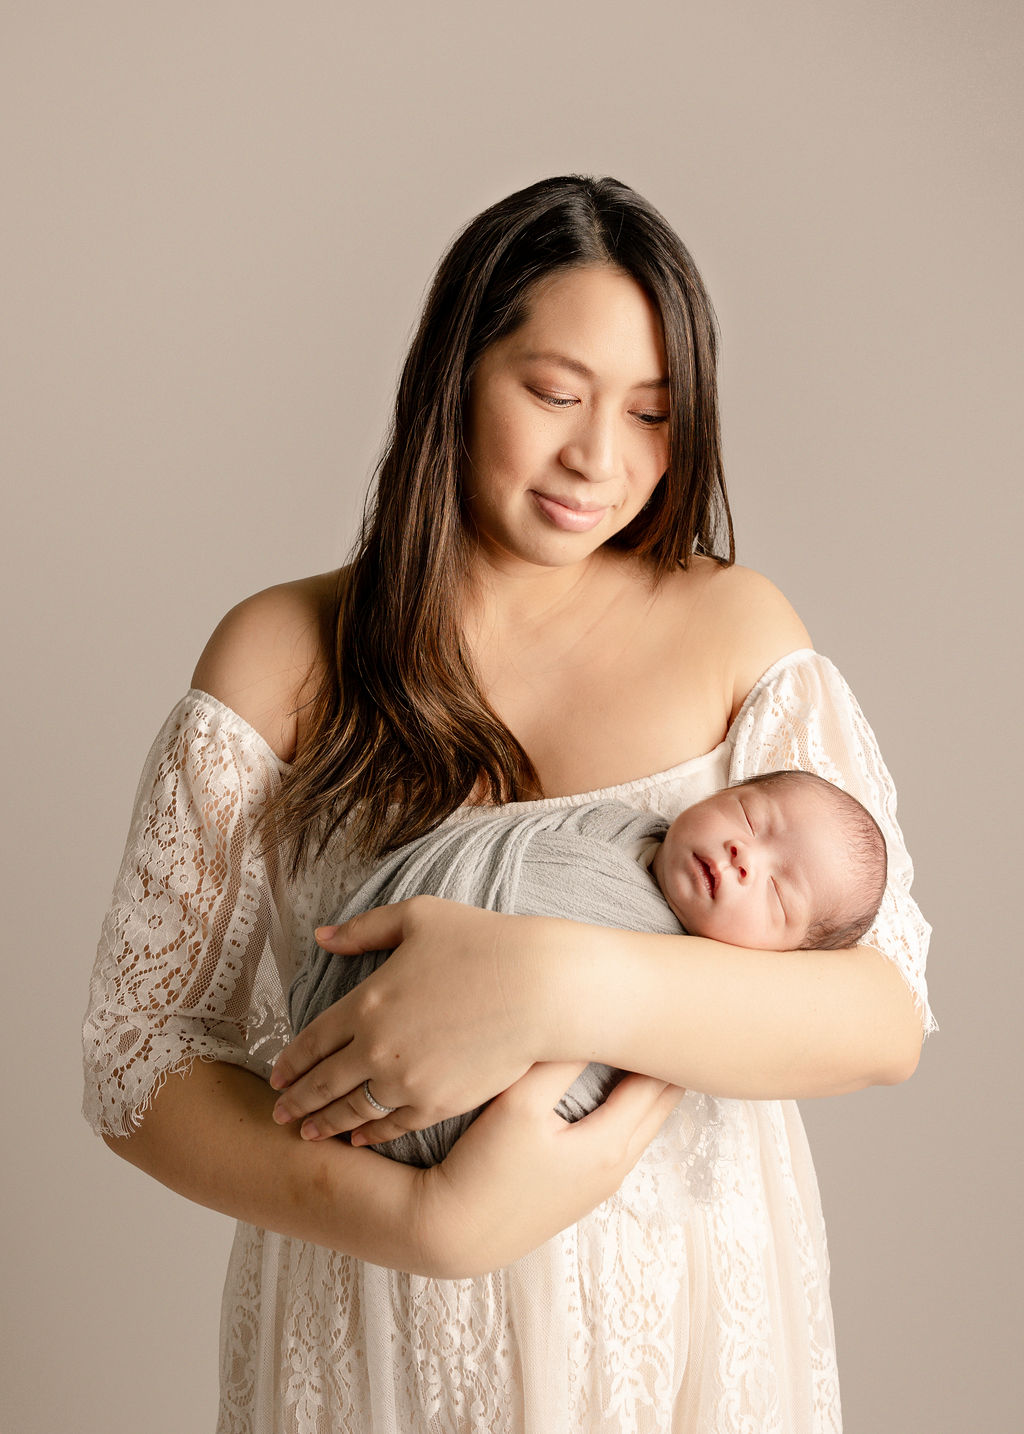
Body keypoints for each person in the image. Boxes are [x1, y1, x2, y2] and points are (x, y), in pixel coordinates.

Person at [82, 175, 933, 1433]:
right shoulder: (280, 652)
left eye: (652, 415)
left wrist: (555, 984)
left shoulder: (735, 630)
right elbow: (132, 1062)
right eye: (553, 393)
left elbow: (881, 1014)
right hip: (373, 1340)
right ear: (451, 373)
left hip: (682, 1341)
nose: (601, 459)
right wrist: (432, 1225)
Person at [290, 769, 888, 1167]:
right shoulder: (611, 828)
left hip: (482, 1141)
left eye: (779, 896)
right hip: (356, 976)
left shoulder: (699, 1002)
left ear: (782, 966)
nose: (744, 857)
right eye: (750, 818)